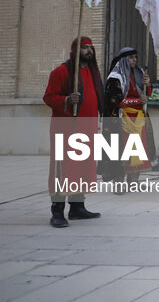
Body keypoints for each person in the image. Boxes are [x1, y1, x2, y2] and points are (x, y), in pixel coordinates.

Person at [43, 37, 103, 227]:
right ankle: (57, 211)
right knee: (63, 169)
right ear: (75, 50)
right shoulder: (62, 71)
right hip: (66, 129)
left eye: (90, 47)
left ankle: (77, 207)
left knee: (82, 167)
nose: (89, 51)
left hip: (87, 129)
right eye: (84, 48)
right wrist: (67, 100)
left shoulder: (93, 73)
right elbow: (49, 97)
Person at [106, 47, 153, 184]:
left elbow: (147, 95)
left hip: (138, 119)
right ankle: (119, 181)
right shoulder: (115, 77)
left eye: (135, 57)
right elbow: (115, 101)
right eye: (131, 57)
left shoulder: (139, 73)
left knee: (138, 151)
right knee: (122, 152)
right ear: (124, 59)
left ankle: (133, 181)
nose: (134, 60)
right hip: (122, 119)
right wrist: (138, 101)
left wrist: (148, 84)